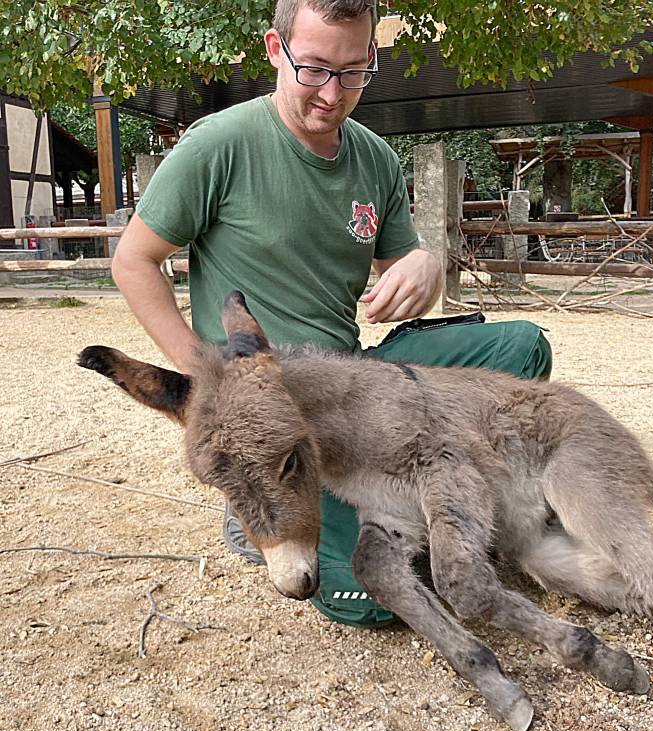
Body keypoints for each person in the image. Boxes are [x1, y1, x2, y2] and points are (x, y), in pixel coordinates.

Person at [112, 0, 552, 628]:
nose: (332, 93)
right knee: (368, 601)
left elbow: (407, 272)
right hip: (276, 417)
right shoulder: (217, 145)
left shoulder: (376, 158)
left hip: (355, 383)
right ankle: (273, 512)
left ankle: (488, 497)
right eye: (314, 69)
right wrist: (211, 383)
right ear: (275, 49)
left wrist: (427, 265)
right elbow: (133, 262)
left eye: (354, 71)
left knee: (523, 351)